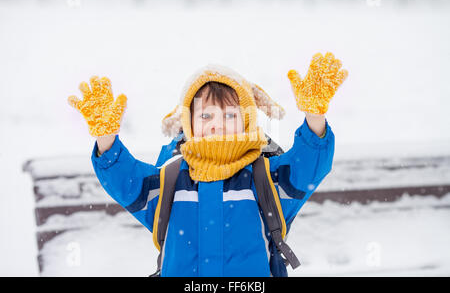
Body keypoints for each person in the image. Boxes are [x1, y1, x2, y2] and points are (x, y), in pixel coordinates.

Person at [67, 52, 348, 277]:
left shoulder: (266, 180)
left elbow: (309, 166)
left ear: (246, 121)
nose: (217, 125)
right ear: (188, 124)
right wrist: (106, 137)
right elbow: (125, 182)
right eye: (206, 117)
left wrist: (314, 115)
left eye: (229, 116)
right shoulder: (171, 182)